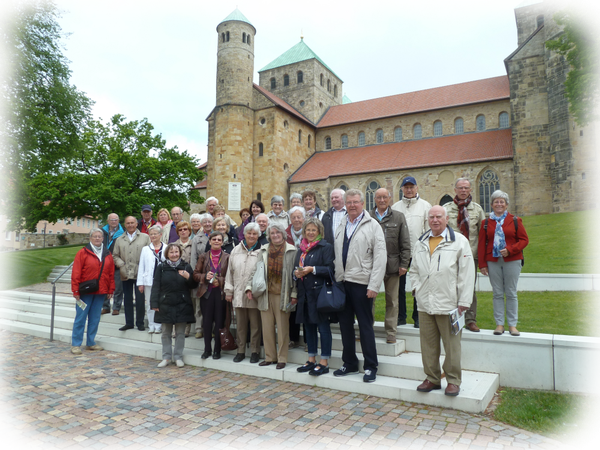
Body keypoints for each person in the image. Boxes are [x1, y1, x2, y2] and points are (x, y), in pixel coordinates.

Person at [410, 206, 475, 397]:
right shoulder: (421, 242)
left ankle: (453, 380)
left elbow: (467, 273)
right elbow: (414, 270)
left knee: (452, 346)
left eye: (439, 216)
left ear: (447, 219)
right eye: (431, 217)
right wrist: (416, 289)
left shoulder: (459, 242)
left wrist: (464, 300)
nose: (435, 220)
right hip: (425, 303)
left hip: (450, 304)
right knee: (428, 345)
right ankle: (432, 378)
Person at [333, 189, 386, 383]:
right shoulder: (342, 223)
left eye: (355, 202)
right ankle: (350, 363)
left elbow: (380, 257)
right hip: (343, 282)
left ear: (362, 203)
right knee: (345, 325)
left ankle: (371, 366)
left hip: (362, 283)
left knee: (365, 326)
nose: (352, 205)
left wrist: (374, 285)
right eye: (349, 202)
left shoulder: (372, 225)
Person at [478, 190, 529, 337]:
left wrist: (510, 250)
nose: (499, 204)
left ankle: (512, 325)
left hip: (512, 260)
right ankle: (499, 324)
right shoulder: (486, 223)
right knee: (497, 293)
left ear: (506, 205)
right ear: (492, 204)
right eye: (496, 202)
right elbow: (482, 244)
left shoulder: (515, 220)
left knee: (511, 292)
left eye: (502, 202)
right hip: (493, 261)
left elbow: (524, 240)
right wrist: (482, 264)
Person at [248, 223, 297, 369]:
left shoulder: (292, 250)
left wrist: (294, 294)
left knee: (282, 329)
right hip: (265, 293)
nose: (275, 235)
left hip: (283, 294)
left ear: (283, 234)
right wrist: (249, 287)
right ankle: (270, 357)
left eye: (278, 232)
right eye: (272, 233)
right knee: (267, 327)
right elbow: (256, 270)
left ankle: (282, 358)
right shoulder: (264, 250)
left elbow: (295, 275)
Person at [444, 178, 485, 333]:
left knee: (469, 288)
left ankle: (470, 320)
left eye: (466, 188)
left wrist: (482, 260)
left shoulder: (477, 210)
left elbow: (482, 235)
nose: (463, 190)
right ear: (455, 189)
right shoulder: (446, 209)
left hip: (471, 256)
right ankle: (451, 319)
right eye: (460, 188)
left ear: (470, 190)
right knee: (450, 287)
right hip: (451, 256)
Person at [294, 218, 335, 376]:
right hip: (304, 293)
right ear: (304, 232)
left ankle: (324, 361)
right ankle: (311, 359)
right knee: (308, 327)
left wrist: (313, 269)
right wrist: (296, 273)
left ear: (319, 232)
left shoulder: (325, 247)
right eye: (308, 230)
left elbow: (330, 270)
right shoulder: (301, 249)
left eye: (313, 230)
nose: (310, 233)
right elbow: (296, 269)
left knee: (323, 328)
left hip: (319, 294)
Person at [371, 188, 411, 344]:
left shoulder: (398, 217)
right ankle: (367, 329)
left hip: (392, 265)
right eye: (379, 197)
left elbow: (405, 243)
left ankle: (391, 332)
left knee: (392, 301)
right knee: (369, 300)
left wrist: (404, 264)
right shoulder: (368, 216)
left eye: (384, 197)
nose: (382, 200)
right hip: (372, 266)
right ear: (375, 199)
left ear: (389, 199)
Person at [391, 176, 432, 328]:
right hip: (399, 253)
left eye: (411, 187)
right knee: (398, 287)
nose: (409, 190)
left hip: (418, 252)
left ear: (416, 188)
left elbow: (428, 231)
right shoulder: (395, 207)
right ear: (402, 189)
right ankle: (400, 316)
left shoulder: (425, 206)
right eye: (406, 187)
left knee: (418, 286)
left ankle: (418, 316)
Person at [151, 243, 198, 368]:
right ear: (167, 254)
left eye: (176, 252)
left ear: (180, 253)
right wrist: (154, 303)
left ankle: (178, 357)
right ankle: (166, 357)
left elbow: (193, 285)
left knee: (180, 333)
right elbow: (156, 286)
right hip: (165, 303)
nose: (174, 254)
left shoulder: (186, 266)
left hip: (182, 304)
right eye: (171, 252)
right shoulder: (161, 267)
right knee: (165, 333)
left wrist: (189, 277)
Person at [70, 229, 115, 355]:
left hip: (101, 291)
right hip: (85, 291)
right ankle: (76, 344)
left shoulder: (107, 254)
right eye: (94, 236)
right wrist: (75, 289)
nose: (97, 238)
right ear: (90, 238)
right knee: (80, 317)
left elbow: (111, 273)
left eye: (99, 236)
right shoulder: (82, 253)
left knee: (95, 318)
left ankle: (90, 342)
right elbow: (76, 272)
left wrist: (111, 288)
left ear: (103, 239)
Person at [224, 222, 263, 364]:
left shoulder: (262, 251)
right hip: (239, 293)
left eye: (254, 234)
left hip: (254, 294)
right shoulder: (236, 250)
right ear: (244, 234)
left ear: (258, 235)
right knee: (240, 326)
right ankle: (240, 351)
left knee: (255, 325)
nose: (251, 236)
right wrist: (229, 291)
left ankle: (254, 351)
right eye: (249, 233)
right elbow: (229, 272)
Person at [193, 231, 230, 359]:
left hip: (220, 293)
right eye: (214, 239)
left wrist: (219, 280)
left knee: (219, 322)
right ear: (209, 241)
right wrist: (204, 276)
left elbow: (231, 276)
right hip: (206, 293)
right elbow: (195, 274)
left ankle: (217, 350)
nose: (216, 241)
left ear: (222, 242)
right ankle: (207, 349)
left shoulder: (227, 257)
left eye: (219, 239)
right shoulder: (203, 256)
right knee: (207, 323)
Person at [112, 216, 150, 331]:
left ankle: (140, 322)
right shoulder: (119, 239)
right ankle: (129, 322)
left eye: (132, 223)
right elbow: (115, 255)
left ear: (136, 224)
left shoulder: (145, 237)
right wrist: (121, 265)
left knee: (140, 299)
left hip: (139, 272)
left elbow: (149, 253)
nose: (130, 225)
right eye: (128, 223)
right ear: (125, 224)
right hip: (125, 272)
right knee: (127, 298)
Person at [137, 225, 166, 334]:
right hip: (148, 281)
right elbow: (142, 266)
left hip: (162, 281)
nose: (153, 236)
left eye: (155, 234)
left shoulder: (167, 248)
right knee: (150, 304)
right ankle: (151, 325)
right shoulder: (145, 249)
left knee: (161, 303)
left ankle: (159, 325)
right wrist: (140, 283)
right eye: (151, 234)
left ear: (160, 235)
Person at [285, 205, 306, 348]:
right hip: (289, 272)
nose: (297, 219)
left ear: (303, 218)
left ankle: (307, 341)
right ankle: (293, 338)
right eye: (294, 217)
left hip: (306, 272)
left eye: (299, 217)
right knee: (292, 306)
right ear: (290, 219)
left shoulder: (309, 231)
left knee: (306, 306)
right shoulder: (285, 233)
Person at [101, 213, 124, 315]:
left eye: (115, 220)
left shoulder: (123, 233)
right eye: (111, 220)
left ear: (118, 221)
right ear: (107, 221)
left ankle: (116, 307)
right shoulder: (102, 232)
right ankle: (106, 306)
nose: (114, 222)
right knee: (104, 285)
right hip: (105, 262)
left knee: (118, 287)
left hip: (117, 262)